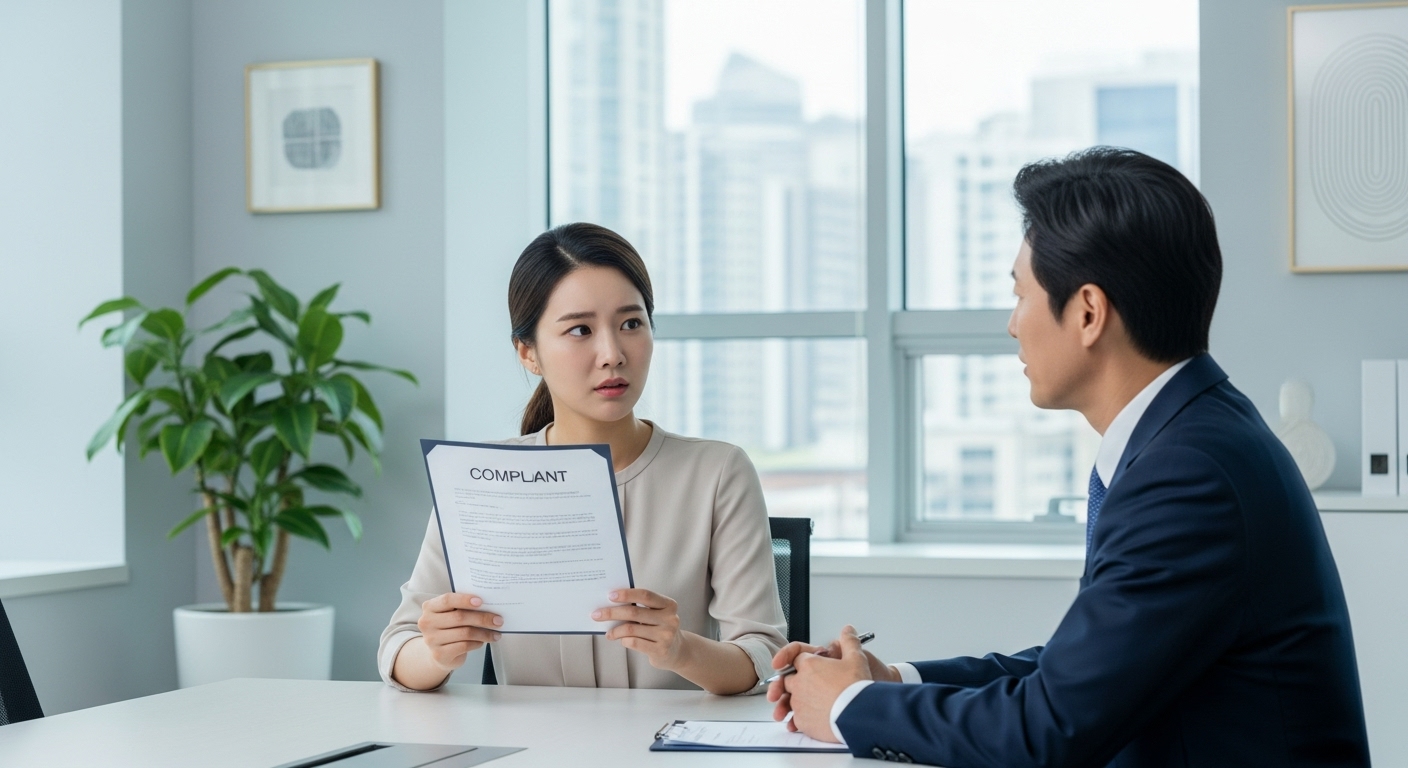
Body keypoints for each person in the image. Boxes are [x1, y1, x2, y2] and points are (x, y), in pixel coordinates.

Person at [768, 148, 1370, 766]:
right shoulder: (1185, 436)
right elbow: (1076, 674)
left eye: (1020, 293)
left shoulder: (1189, 473)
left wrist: (850, 708)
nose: (1011, 325)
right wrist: (891, 681)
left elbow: (1051, 728)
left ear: (1087, 312)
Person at [380, 223, 786, 695]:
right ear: (528, 352)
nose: (611, 354)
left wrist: (680, 650)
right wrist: (436, 651)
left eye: (631, 324)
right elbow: (397, 647)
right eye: (580, 330)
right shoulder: (480, 480)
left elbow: (762, 658)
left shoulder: (717, 473)